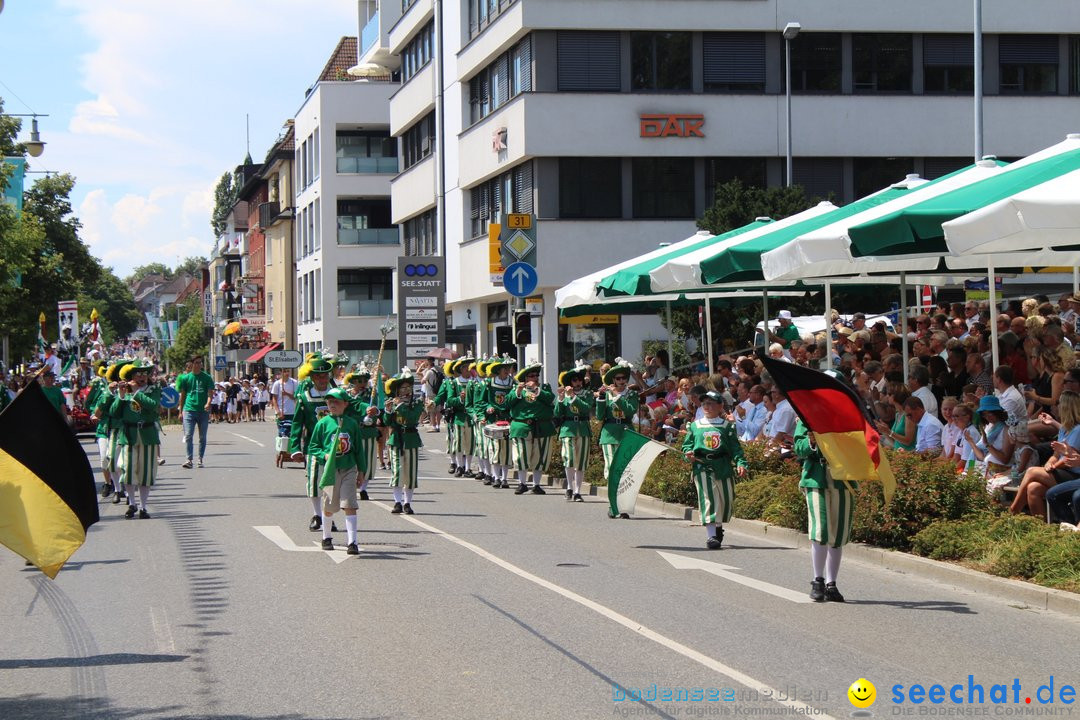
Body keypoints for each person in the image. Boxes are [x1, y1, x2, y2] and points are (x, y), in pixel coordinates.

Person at [794, 419, 854, 602]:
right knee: (820, 529)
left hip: (842, 478)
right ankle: (817, 580)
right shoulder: (807, 416)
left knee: (838, 532)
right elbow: (798, 447)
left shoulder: (846, 415)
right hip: (815, 478)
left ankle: (831, 583)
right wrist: (811, 442)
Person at [682, 391, 747, 549]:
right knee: (708, 499)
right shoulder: (695, 426)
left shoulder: (727, 427)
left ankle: (718, 527)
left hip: (723, 465)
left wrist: (741, 463)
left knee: (725, 500)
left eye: (711, 403)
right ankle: (711, 536)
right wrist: (688, 455)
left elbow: (735, 449)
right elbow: (687, 446)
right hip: (702, 465)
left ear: (720, 406)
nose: (707, 406)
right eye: (704, 403)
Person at [309, 387, 365, 555]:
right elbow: (313, 446)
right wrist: (324, 455)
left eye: (336, 401)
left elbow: (358, 450)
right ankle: (326, 537)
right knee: (329, 505)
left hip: (349, 468)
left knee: (350, 504)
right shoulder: (322, 423)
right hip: (330, 469)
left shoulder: (352, 424)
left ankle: (352, 542)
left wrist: (361, 471)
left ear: (345, 404)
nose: (332, 404)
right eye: (330, 401)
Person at [1010, 390, 1080, 518]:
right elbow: (1056, 455)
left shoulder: (1077, 430)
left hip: (1074, 474)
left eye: (1058, 403)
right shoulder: (1065, 429)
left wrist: (1053, 467)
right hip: (1064, 471)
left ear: (1065, 406)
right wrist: (1049, 463)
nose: (1055, 406)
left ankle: (1013, 511)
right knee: (1033, 488)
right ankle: (1042, 530)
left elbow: (1070, 459)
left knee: (1032, 471)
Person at [289, 357, 337, 531]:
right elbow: (296, 425)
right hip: (313, 447)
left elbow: (353, 410)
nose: (322, 380)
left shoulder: (337, 395)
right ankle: (318, 515)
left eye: (325, 376)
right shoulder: (304, 398)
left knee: (332, 484)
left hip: (335, 447)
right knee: (315, 482)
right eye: (318, 377)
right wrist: (294, 448)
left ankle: (328, 515)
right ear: (312, 378)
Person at [110, 359, 160, 519]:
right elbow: (114, 413)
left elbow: (152, 405)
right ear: (132, 376)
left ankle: (143, 507)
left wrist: (137, 392)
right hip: (129, 436)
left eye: (145, 373)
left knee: (145, 474)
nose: (142, 377)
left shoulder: (153, 389)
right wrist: (121, 395)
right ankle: (132, 503)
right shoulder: (125, 392)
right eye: (138, 374)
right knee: (128, 472)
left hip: (147, 435)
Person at [506, 362, 557, 496]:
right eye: (531, 376)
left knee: (540, 456)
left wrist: (537, 390)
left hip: (542, 426)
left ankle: (536, 485)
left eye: (536, 375)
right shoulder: (517, 389)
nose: (535, 378)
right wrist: (517, 392)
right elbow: (507, 403)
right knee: (522, 455)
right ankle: (522, 484)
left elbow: (550, 399)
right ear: (525, 378)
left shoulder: (544, 388)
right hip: (522, 426)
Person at [384, 369, 424, 514]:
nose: (406, 390)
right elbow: (387, 422)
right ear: (397, 390)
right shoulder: (392, 402)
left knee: (410, 473)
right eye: (403, 388)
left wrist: (400, 406)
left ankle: (408, 503)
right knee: (397, 472)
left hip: (411, 439)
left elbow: (412, 418)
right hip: (396, 440)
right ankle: (397, 502)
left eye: (409, 387)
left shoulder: (417, 402)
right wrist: (388, 411)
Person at [595, 360, 639, 480]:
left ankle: (621, 495)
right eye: (618, 379)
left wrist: (617, 396)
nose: (621, 381)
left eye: (623, 378)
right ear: (613, 380)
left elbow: (630, 411)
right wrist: (601, 398)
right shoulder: (607, 394)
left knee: (625, 466)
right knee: (611, 465)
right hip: (609, 433)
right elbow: (599, 416)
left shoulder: (632, 394)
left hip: (626, 432)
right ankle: (612, 494)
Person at [556, 363, 592, 502]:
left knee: (581, 461)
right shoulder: (564, 395)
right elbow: (557, 413)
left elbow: (585, 408)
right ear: (570, 382)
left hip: (583, 428)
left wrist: (574, 397)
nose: (577, 383)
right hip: (567, 429)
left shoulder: (587, 393)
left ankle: (577, 491)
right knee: (569, 458)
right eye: (574, 380)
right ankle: (569, 487)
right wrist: (560, 399)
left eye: (579, 380)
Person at [482, 357, 516, 489]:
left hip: (507, 419)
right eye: (504, 369)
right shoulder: (489, 383)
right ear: (498, 370)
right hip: (494, 419)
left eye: (509, 368)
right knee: (495, 449)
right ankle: (496, 477)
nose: (507, 371)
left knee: (506, 450)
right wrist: (487, 408)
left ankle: (504, 478)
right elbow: (482, 400)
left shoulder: (512, 383)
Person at [177, 355, 214, 469]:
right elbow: (183, 395)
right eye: (197, 362)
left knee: (202, 437)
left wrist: (208, 403)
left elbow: (210, 393)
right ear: (192, 364)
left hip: (203, 411)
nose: (199, 365)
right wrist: (180, 410)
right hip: (189, 410)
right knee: (188, 435)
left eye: (200, 362)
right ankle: (189, 459)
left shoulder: (207, 377)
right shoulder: (186, 378)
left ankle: (200, 459)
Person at [271, 368, 298, 467]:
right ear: (281, 373)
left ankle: (292, 452)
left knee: (293, 433)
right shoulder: (277, 384)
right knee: (283, 433)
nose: (286, 373)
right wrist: (278, 411)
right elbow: (274, 398)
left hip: (292, 411)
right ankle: (282, 452)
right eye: (284, 371)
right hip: (282, 412)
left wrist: (287, 394)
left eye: (288, 371)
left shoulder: (294, 383)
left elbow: (296, 397)